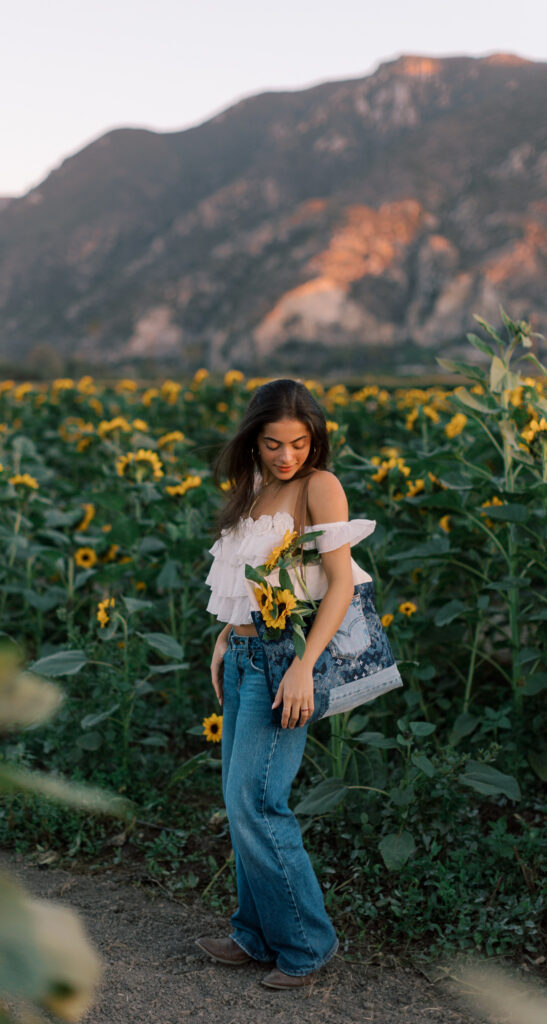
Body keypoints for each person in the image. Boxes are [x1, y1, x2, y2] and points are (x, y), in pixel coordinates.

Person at [195, 378, 376, 990]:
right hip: (245, 653)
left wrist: (304, 664)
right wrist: (225, 638)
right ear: (253, 439)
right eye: (273, 443)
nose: (287, 456)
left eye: (300, 443)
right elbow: (250, 582)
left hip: (285, 660)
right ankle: (253, 933)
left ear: (314, 440)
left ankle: (305, 944)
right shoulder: (251, 485)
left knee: (258, 800)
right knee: (238, 799)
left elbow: (341, 583)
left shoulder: (319, 486)